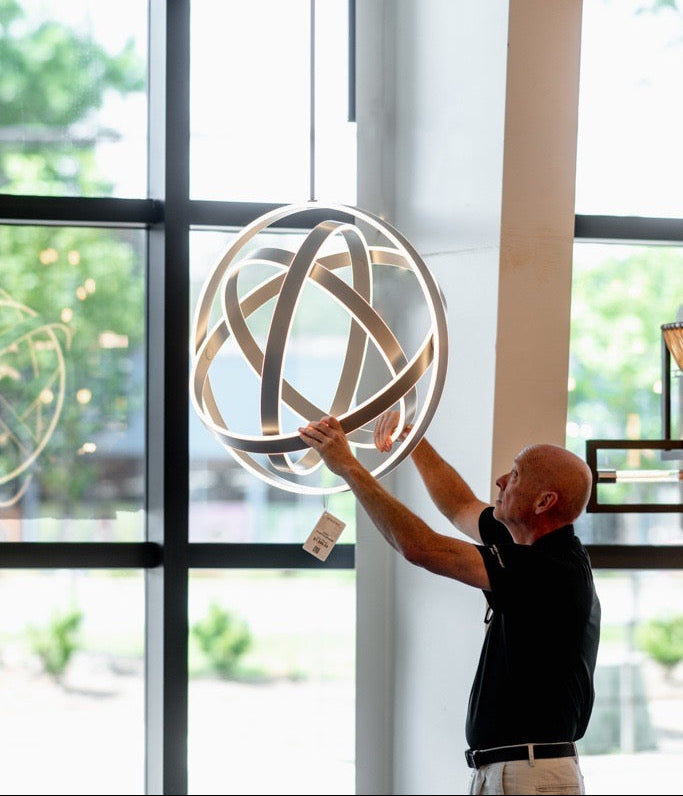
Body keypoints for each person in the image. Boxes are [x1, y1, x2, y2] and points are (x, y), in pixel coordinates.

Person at [298, 411, 601, 796]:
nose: (502, 481)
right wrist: (412, 441)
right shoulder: (525, 546)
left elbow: (421, 547)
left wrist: (348, 467)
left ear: (544, 501)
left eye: (516, 475)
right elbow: (459, 506)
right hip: (513, 769)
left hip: (531, 775)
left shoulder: (551, 570)